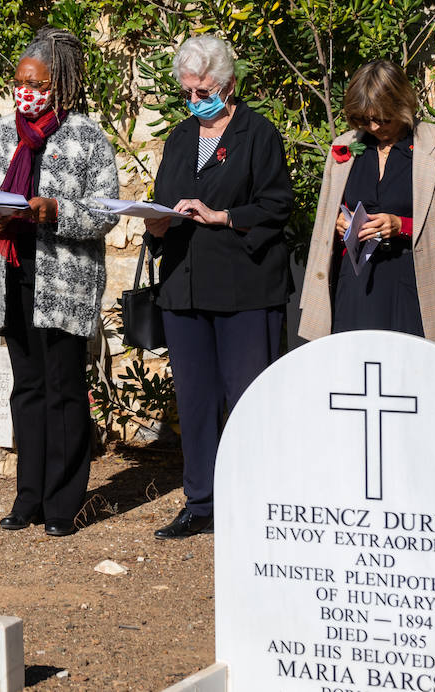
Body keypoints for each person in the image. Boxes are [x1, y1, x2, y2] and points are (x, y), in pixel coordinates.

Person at [0, 27, 118, 538]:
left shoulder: (87, 137)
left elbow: (106, 211)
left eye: (37, 83)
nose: (25, 91)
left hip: (65, 283)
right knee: (27, 388)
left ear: (60, 85)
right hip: (13, 274)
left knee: (63, 388)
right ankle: (28, 496)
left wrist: (55, 211)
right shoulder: (0, 134)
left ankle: (63, 502)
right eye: (20, 81)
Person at [143, 35, 293, 539]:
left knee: (249, 401)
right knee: (195, 401)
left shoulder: (259, 134)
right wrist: (156, 224)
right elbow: (165, 200)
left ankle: (254, 504)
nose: (194, 100)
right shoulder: (181, 137)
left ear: (228, 86)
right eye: (187, 92)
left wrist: (224, 216)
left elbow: (277, 206)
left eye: (203, 91)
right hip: (184, 287)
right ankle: (200, 502)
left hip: (244, 290)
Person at [299, 60, 435, 345]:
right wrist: (339, 224)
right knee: (355, 362)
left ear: (403, 104)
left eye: (383, 119)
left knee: (412, 366)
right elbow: (325, 226)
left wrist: (401, 225)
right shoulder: (345, 146)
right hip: (356, 283)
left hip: (418, 283)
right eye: (365, 120)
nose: (375, 127)